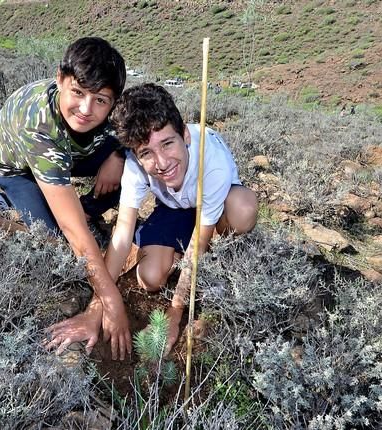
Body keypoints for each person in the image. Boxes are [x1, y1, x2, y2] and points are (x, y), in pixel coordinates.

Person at [49, 83, 258, 356]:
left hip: (216, 208)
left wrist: (174, 313)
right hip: (174, 207)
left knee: (243, 209)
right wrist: (96, 308)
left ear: (184, 135)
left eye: (168, 143)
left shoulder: (212, 161)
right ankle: (170, 254)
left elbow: (199, 243)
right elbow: (122, 234)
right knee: (149, 278)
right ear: (135, 154)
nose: (161, 163)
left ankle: (220, 252)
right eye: (146, 153)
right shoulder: (135, 166)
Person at [0, 37, 132, 360]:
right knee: (55, 240)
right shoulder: (38, 124)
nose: (86, 108)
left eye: (101, 100)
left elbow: (150, 127)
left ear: (114, 100)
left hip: (75, 154)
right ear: (60, 79)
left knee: (136, 166)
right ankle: (33, 200)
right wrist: (111, 302)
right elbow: (73, 232)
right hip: (18, 167)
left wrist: (120, 155)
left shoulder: (111, 109)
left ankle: (83, 206)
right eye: (77, 92)